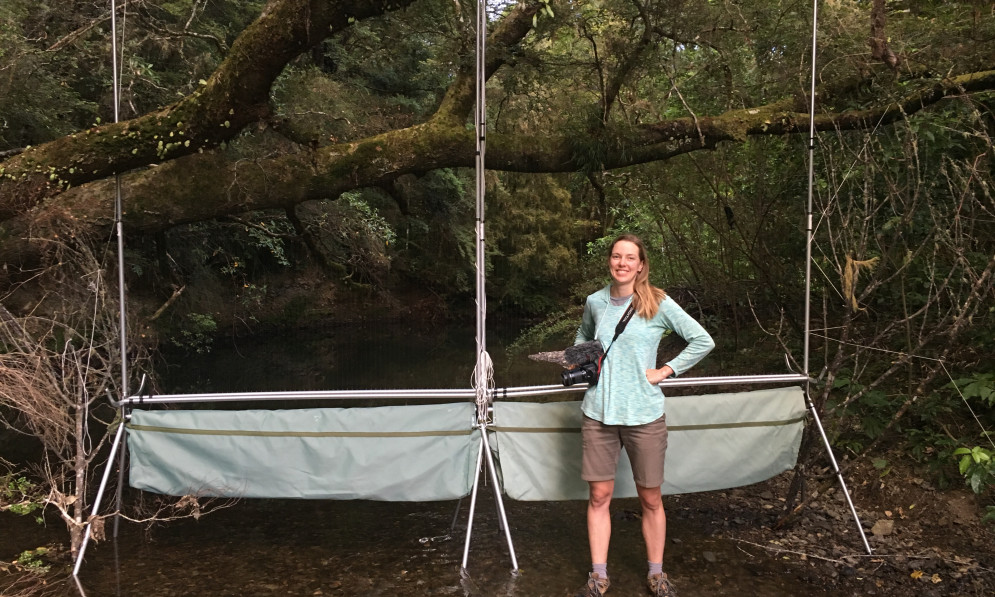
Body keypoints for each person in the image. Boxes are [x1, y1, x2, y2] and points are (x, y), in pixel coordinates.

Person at [572, 234, 714, 597]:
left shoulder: (657, 302)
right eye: (616, 256)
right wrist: (581, 358)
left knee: (650, 498)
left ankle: (656, 573)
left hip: (644, 415)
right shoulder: (595, 302)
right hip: (599, 413)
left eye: (629, 257)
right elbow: (583, 337)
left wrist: (665, 370)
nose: (622, 262)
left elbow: (702, 340)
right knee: (599, 496)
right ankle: (599, 575)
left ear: (641, 265)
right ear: (610, 261)